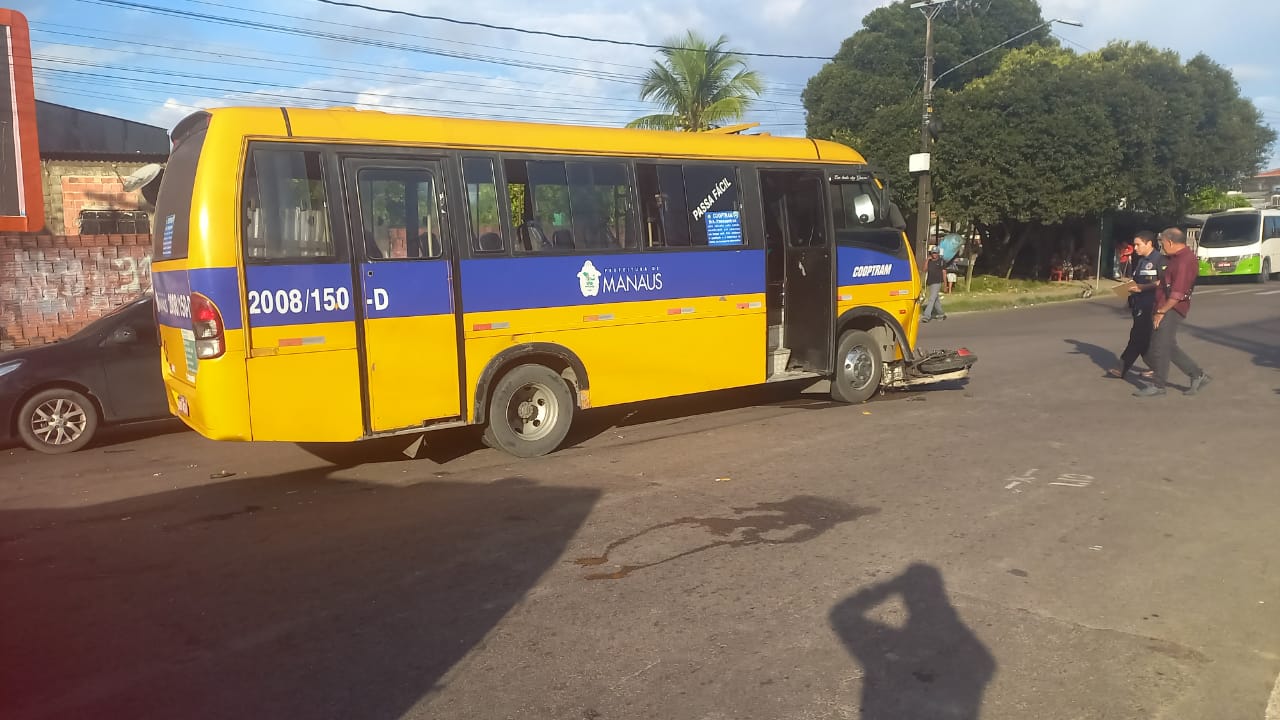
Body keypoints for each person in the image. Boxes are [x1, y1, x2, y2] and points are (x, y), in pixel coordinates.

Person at [1134, 227, 1211, 397]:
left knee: (1160, 346)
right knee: (1167, 345)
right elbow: (1163, 283)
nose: (1161, 247)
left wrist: (1161, 311)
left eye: (1162, 243)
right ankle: (1197, 375)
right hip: (1163, 304)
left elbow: (1178, 292)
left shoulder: (1184, 261)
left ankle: (1158, 385)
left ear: (1169, 242)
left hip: (1172, 307)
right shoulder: (1174, 258)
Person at [1108, 231, 1162, 379]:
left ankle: (1121, 367)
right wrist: (1128, 297)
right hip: (1139, 305)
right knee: (1143, 341)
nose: (1135, 248)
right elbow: (1136, 282)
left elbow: (1164, 282)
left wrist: (1143, 288)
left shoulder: (1159, 260)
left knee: (1137, 337)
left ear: (1149, 243)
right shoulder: (1141, 261)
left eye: (1138, 244)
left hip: (1151, 306)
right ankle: (1157, 368)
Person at [922, 247, 946, 322]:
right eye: (933, 253)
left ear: (938, 253)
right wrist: (927, 260)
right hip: (930, 282)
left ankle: (926, 316)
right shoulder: (929, 261)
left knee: (931, 299)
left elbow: (944, 273)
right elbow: (924, 270)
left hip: (937, 282)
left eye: (936, 253)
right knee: (935, 300)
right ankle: (941, 314)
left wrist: (945, 285)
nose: (934, 254)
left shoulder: (941, 261)